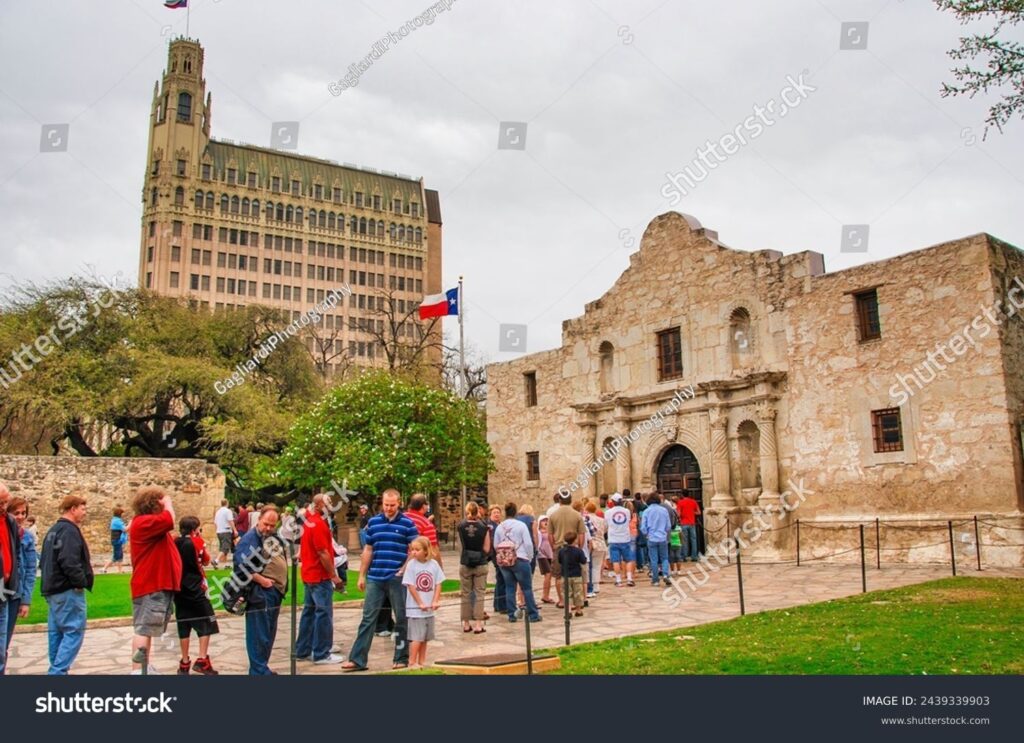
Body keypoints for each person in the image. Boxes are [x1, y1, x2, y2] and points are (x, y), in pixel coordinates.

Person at [342, 488, 418, 672]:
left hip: (397, 579)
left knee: (401, 619)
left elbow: (415, 549)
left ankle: (401, 657)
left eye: (392, 505)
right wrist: (361, 575)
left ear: (399, 503)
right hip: (375, 577)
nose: (389, 508)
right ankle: (357, 659)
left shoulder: (408, 524)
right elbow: (368, 550)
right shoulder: (374, 523)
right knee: (368, 619)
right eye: (386, 505)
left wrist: (405, 567)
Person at [129, 486, 183, 674]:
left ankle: (145, 666)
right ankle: (137, 670)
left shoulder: (146, 524)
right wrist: (167, 502)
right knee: (144, 628)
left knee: (148, 628)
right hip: (151, 584)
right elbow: (169, 520)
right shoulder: (144, 522)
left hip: (155, 584)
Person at [40, 495, 93, 675]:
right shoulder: (69, 531)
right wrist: (80, 582)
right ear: (73, 509)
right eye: (83, 508)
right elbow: (69, 560)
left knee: (56, 633)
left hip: (53, 588)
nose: (85, 512)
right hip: (66, 588)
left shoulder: (54, 529)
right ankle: (57, 672)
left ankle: (56, 670)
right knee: (73, 631)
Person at [235, 505, 288, 675]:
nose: (269, 528)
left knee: (268, 634)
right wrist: (262, 580)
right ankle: (259, 671)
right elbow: (241, 567)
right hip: (260, 592)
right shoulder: (250, 538)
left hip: (274, 592)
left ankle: (261, 668)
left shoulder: (271, 537)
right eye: (266, 524)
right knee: (259, 634)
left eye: (273, 525)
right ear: (259, 520)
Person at [295, 493, 344, 665]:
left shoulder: (311, 521)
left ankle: (303, 649)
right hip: (319, 575)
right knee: (323, 613)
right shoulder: (317, 524)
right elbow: (322, 552)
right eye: (328, 503)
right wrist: (334, 576)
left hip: (310, 574)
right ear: (319, 505)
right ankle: (322, 652)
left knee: (309, 613)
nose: (331, 505)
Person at [173, 516, 219, 675]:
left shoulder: (174, 542)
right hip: (196, 588)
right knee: (209, 620)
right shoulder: (196, 542)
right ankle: (202, 659)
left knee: (183, 624)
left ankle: (184, 662)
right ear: (194, 530)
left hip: (179, 590)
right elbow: (205, 561)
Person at [2, 496, 36, 674]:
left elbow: (30, 570)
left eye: (24, 513)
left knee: (4, 642)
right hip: (3, 589)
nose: (21, 517)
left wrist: (26, 600)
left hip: (15, 593)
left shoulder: (27, 537)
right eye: (16, 513)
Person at [494, 502, 542, 623]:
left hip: (505, 560)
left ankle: (512, 614)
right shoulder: (521, 525)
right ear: (515, 512)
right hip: (520, 558)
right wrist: (530, 556)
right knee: (526, 588)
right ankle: (533, 614)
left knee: (510, 588)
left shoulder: (500, 527)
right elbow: (528, 543)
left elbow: (496, 545)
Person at [402, 536, 445, 668]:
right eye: (412, 550)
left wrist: (435, 600)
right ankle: (412, 662)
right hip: (416, 610)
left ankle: (421, 662)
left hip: (429, 610)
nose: (414, 552)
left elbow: (438, 583)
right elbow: (411, 586)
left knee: (425, 638)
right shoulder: (411, 565)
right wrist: (420, 603)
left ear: (426, 551)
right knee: (417, 637)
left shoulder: (434, 564)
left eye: (417, 550)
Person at [457, 501, 490, 634]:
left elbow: (460, 546)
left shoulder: (460, 526)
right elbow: (487, 548)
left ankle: (465, 623)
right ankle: (478, 624)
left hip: (465, 562)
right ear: (478, 511)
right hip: (480, 562)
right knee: (479, 593)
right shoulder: (484, 527)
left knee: (465, 593)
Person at [547, 491, 584, 608]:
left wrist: (553, 546)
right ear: (570, 500)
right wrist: (580, 547)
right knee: (576, 576)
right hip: (574, 547)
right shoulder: (577, 515)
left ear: (560, 500)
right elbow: (582, 533)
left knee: (559, 576)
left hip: (559, 547)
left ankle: (562, 600)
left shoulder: (553, 515)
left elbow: (550, 535)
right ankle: (576, 602)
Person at [605, 493, 636, 587]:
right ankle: (629, 578)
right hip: (625, 538)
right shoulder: (626, 511)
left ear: (613, 502)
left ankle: (618, 580)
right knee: (629, 559)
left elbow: (606, 524)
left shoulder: (608, 512)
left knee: (615, 560)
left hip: (613, 538)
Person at [640, 493, 671, 587]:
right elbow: (668, 526)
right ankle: (666, 574)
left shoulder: (647, 511)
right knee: (664, 558)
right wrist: (664, 532)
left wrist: (646, 534)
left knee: (653, 560)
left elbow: (643, 527)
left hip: (652, 537)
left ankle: (655, 579)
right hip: (662, 537)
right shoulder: (664, 510)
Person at [405, 494, 442, 567]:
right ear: (424, 506)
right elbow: (433, 549)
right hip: (416, 565)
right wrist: (440, 568)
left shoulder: (401, 519)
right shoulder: (426, 524)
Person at [558, 532, 587, 617]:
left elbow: (559, 561)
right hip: (576, 575)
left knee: (566, 593)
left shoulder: (562, 551)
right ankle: (578, 610)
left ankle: (568, 611)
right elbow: (583, 561)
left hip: (565, 575)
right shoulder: (578, 551)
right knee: (578, 593)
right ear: (575, 541)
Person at [583, 501, 607, 596]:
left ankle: (590, 585)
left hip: (591, 544)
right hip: (601, 544)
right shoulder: (601, 520)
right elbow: (605, 530)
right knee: (597, 566)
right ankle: (596, 586)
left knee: (590, 566)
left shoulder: (586, 519)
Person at [487, 504, 506, 616]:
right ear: (490, 514)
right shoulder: (491, 526)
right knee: (501, 579)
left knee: (500, 579)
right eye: (494, 512)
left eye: (498, 512)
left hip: (502, 553)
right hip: (496, 554)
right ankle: (501, 605)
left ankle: (497, 604)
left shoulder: (501, 525)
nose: (497, 514)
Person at [102, 507, 128, 574]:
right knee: (117, 556)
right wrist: (131, 523)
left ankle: (119, 570)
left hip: (117, 540)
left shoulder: (116, 520)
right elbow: (125, 529)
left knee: (119, 555)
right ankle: (105, 568)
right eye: (122, 513)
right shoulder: (117, 521)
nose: (123, 515)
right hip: (116, 540)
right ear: (119, 514)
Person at [677, 492, 702, 561]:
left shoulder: (680, 502)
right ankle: (694, 556)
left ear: (682, 495)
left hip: (684, 523)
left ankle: (684, 556)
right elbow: (699, 512)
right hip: (692, 523)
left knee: (684, 540)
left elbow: (678, 514)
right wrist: (692, 512)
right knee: (693, 540)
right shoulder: (693, 502)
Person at [536, 515, 555, 603]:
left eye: (547, 520)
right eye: (543, 521)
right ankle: (545, 595)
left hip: (550, 554)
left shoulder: (550, 532)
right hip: (542, 555)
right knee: (548, 573)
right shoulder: (539, 532)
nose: (545, 522)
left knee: (549, 575)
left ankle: (546, 595)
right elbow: (538, 543)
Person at [213, 500, 236, 568]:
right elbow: (230, 521)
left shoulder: (218, 512)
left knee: (222, 548)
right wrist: (235, 530)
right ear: (227, 503)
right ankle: (216, 561)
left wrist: (217, 530)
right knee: (225, 548)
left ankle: (225, 565)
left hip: (219, 531)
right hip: (226, 531)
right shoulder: (228, 511)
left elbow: (215, 522)